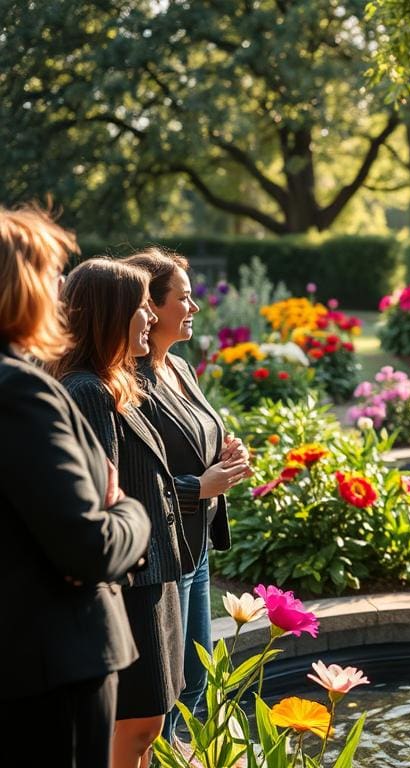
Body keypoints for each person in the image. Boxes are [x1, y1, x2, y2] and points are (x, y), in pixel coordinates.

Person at [0, 206, 151, 768]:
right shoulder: (21, 392)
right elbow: (88, 546)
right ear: (21, 286)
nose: (62, 288)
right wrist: (128, 511)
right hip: (51, 667)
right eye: (51, 273)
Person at [51, 258, 187, 768]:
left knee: (149, 724)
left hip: (155, 574)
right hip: (133, 584)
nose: (151, 317)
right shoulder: (87, 390)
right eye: (141, 307)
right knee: (136, 727)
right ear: (110, 315)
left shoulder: (115, 383)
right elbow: (102, 497)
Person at [122, 249, 251, 741]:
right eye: (184, 297)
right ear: (150, 308)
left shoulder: (180, 367)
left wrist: (221, 448)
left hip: (195, 549)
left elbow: (188, 439)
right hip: (163, 553)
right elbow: (130, 482)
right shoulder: (126, 383)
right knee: (171, 686)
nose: (194, 307)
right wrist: (201, 486)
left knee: (196, 676)